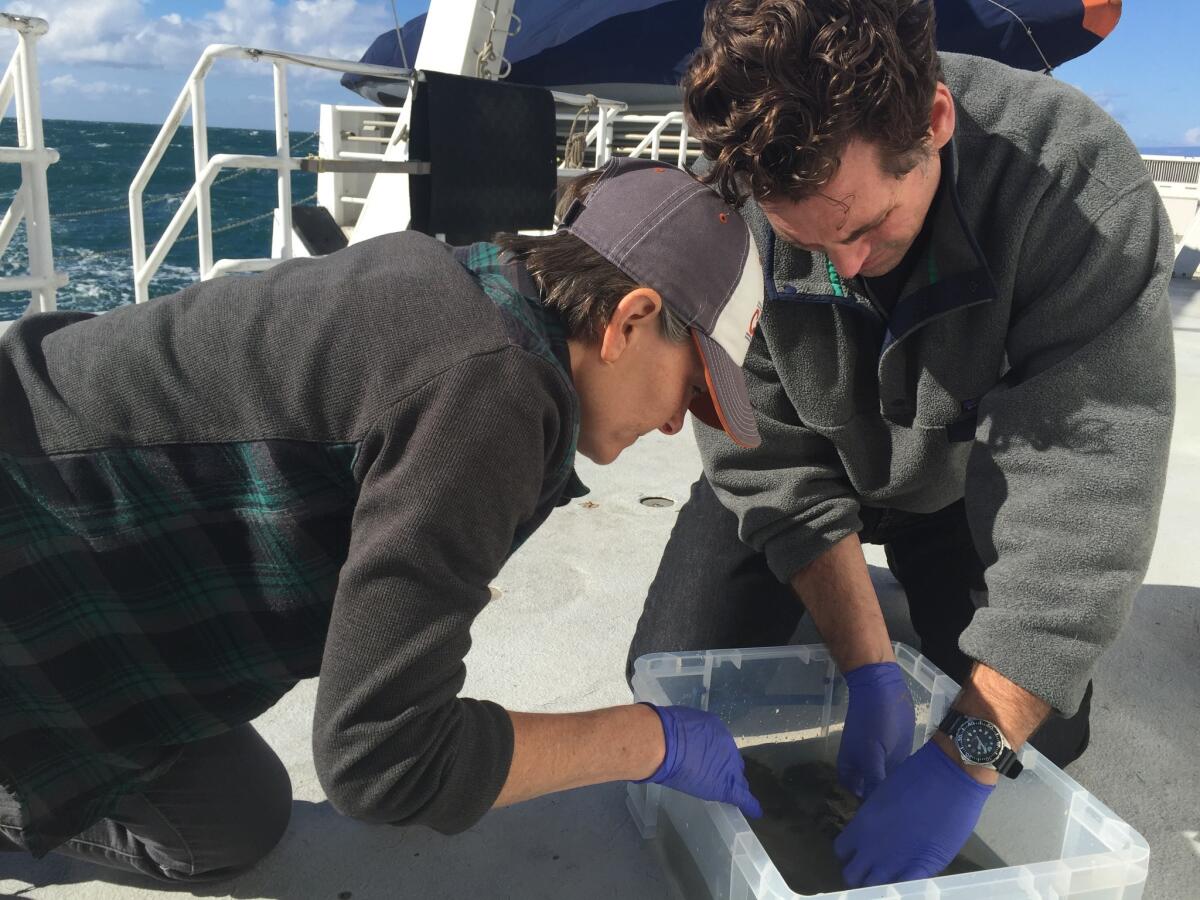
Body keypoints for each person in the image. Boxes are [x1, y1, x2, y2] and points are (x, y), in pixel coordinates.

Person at [0, 158, 768, 883]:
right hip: (26, 570)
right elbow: (385, 759)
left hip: (94, 590)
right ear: (630, 321)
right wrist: (652, 741)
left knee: (230, 821)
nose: (677, 428)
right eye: (695, 391)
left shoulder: (473, 291)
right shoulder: (491, 393)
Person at [627, 0, 1175, 888]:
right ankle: (877, 641)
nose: (840, 267)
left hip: (958, 482)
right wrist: (870, 669)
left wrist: (967, 755)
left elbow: (1090, 496)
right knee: (668, 678)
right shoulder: (734, 199)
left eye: (864, 228)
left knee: (1045, 734)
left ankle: (917, 632)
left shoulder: (1076, 185)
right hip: (800, 463)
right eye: (806, 240)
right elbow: (761, 453)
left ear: (935, 122)